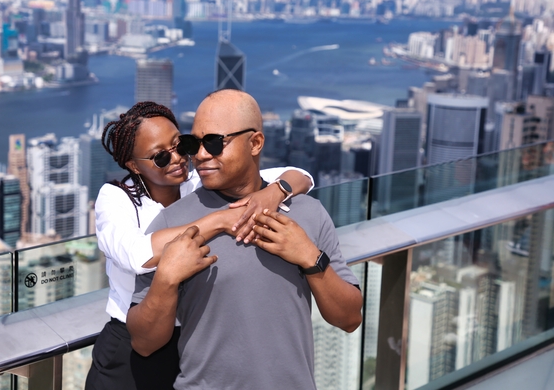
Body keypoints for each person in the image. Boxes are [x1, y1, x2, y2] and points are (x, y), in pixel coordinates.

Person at [127, 90, 363, 390]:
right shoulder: (171, 224)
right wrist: (165, 281)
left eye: (213, 143)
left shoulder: (308, 213)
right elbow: (144, 343)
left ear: (255, 143)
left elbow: (350, 318)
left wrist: (310, 258)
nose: (199, 155)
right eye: (193, 143)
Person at [85, 101, 314, 390]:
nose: (178, 159)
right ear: (133, 165)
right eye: (160, 158)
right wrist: (218, 220)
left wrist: (275, 192)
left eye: (181, 146)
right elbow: (136, 255)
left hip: (193, 343)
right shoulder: (117, 198)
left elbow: (301, 175)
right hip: (131, 348)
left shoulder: (198, 182)